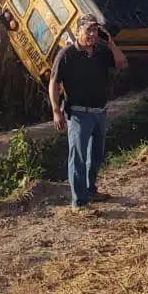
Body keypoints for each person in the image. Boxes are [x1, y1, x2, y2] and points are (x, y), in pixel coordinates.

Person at [49, 14, 129, 210]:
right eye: (89, 30)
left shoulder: (101, 51)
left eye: (95, 30)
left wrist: (110, 42)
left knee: (95, 156)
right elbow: (54, 82)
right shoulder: (67, 54)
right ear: (78, 32)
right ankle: (80, 202)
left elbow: (122, 63)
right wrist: (56, 111)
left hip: (99, 113)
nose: (93, 34)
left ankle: (90, 190)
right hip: (78, 114)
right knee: (78, 157)